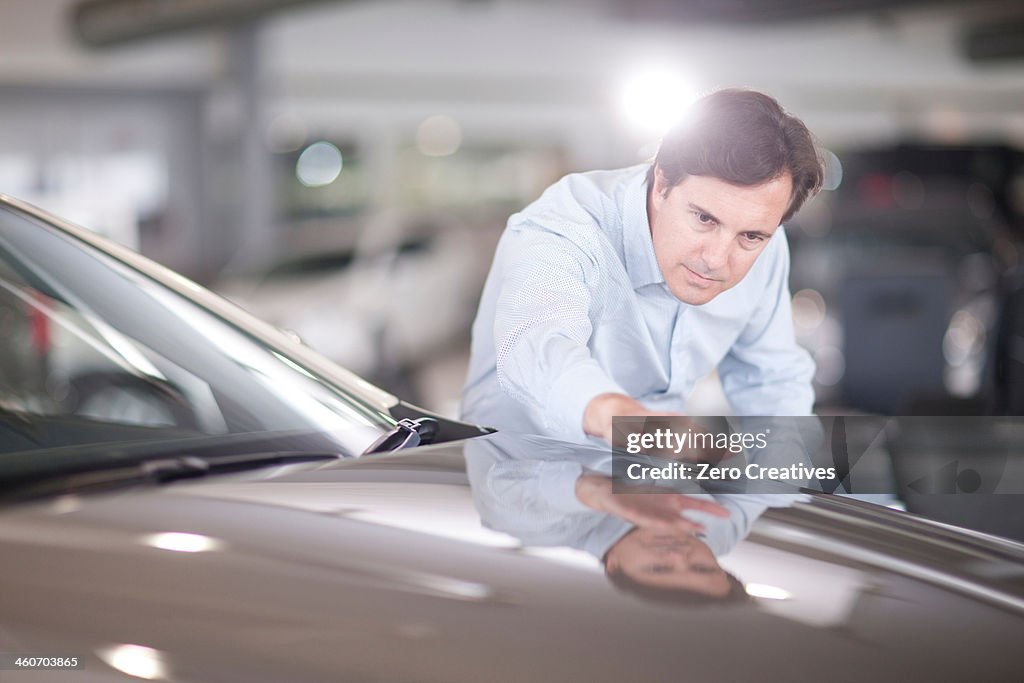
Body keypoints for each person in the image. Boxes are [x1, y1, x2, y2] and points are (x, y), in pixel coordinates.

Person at [462, 88, 824, 445]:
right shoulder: (567, 225)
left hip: (642, 476)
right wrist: (620, 416)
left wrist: (781, 485)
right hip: (516, 474)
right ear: (662, 182)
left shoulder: (766, 241)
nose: (716, 259)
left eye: (750, 237)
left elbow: (771, 381)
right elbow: (538, 347)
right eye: (703, 218)